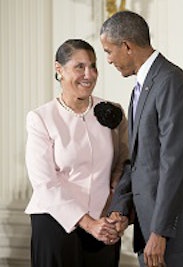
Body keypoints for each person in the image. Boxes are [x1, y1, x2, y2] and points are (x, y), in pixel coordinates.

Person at [99, 11, 183, 267]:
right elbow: (138, 161)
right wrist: (120, 208)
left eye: (109, 51)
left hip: (180, 233)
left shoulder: (171, 83)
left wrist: (160, 232)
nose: (109, 60)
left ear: (127, 46)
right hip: (153, 229)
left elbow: (174, 162)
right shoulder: (143, 87)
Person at [25, 39, 129, 267]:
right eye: (79, 66)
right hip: (56, 224)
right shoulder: (41, 118)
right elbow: (45, 184)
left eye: (93, 66)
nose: (89, 74)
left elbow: (125, 165)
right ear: (59, 69)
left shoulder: (114, 111)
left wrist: (119, 213)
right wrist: (88, 223)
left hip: (104, 226)